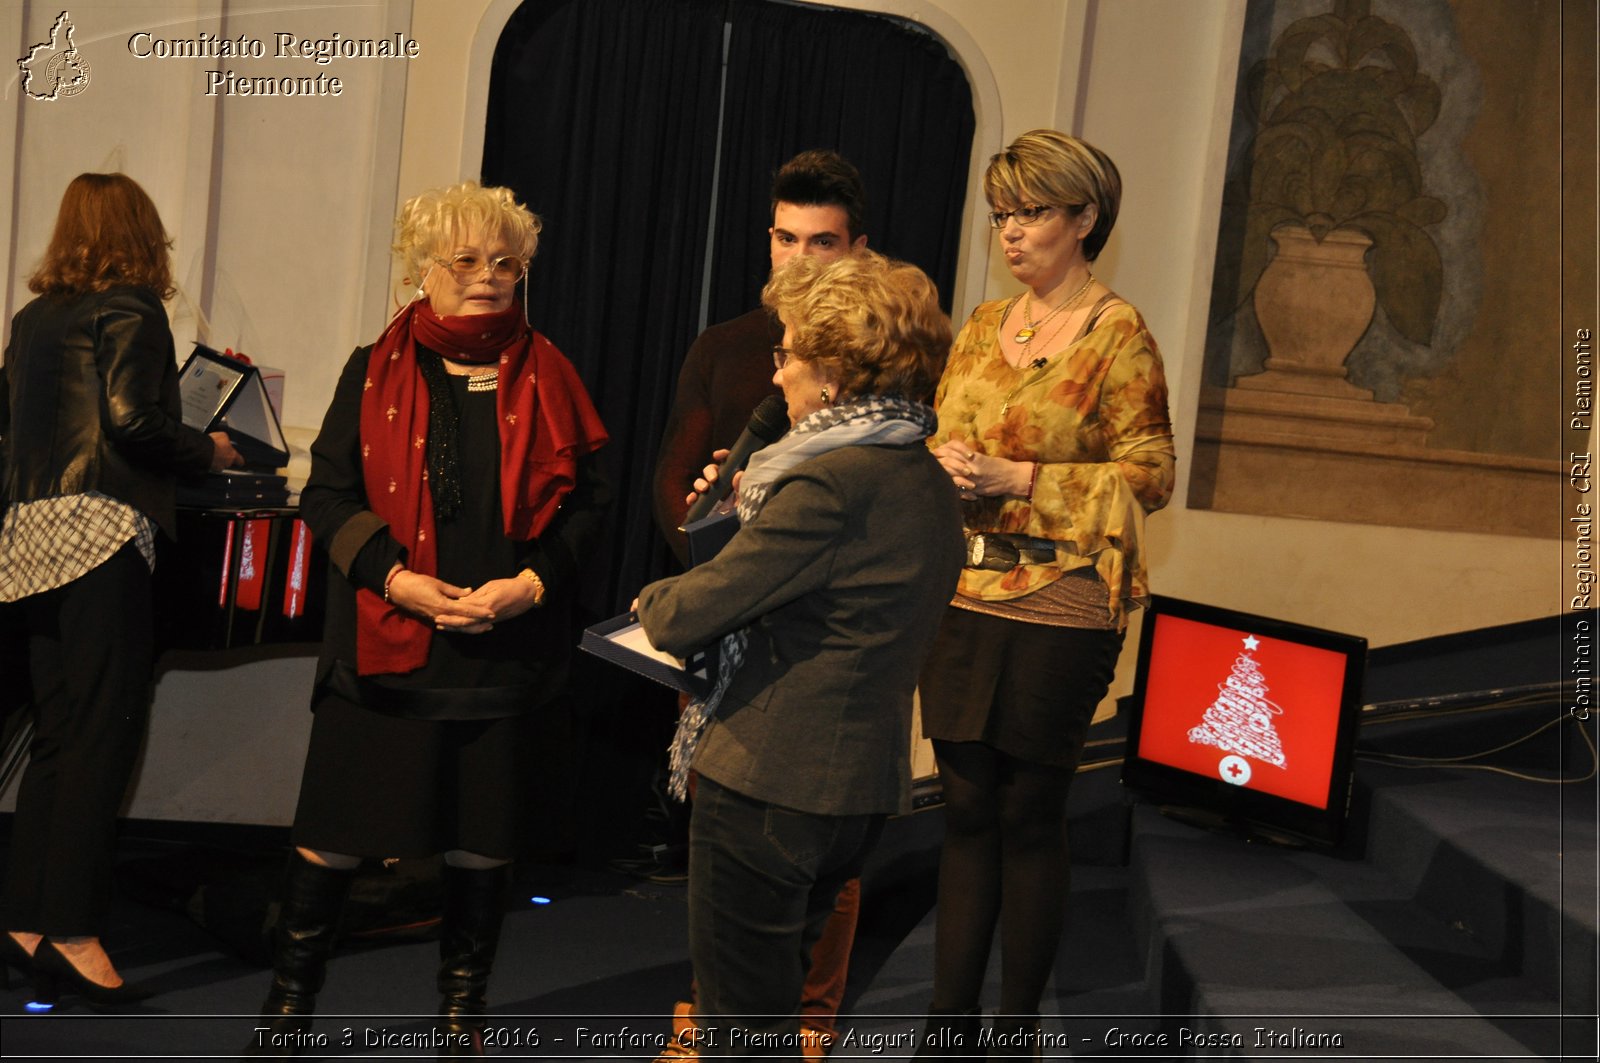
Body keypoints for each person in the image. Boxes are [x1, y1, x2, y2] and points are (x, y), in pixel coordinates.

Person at [244, 182, 609, 1059]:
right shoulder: (372, 364)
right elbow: (326, 496)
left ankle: (461, 1020)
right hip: (387, 647)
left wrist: (532, 582)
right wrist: (397, 581)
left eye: (506, 264)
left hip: (502, 651)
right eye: (467, 261)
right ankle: (288, 1014)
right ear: (424, 270)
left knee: (482, 849)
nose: (488, 278)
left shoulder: (552, 369)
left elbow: (590, 508)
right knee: (331, 839)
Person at [635, 249, 964, 1057]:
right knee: (772, 1013)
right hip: (851, 791)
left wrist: (653, 595)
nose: (776, 375)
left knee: (741, 1026)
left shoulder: (830, 485)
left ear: (831, 378)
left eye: (787, 355)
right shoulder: (921, 474)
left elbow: (681, 610)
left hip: (770, 787)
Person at [917, 130, 1175, 1054]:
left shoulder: (1118, 331)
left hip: (1064, 594)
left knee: (1029, 810)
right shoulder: (983, 326)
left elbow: (1150, 474)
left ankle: (1017, 1027)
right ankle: (948, 1027)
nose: (1011, 233)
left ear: (1085, 219)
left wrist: (1020, 478)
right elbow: (945, 441)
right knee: (965, 803)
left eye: (1031, 213)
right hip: (964, 589)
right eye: (1002, 216)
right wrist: (943, 466)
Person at [0, 173, 243, 1007]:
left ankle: (27, 919)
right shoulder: (132, 307)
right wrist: (212, 451)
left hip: (27, 540)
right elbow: (134, 421)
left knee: (59, 738)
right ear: (140, 234)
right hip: (100, 534)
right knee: (104, 739)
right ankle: (72, 929)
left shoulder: (31, 321)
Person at [649, 149, 869, 1060]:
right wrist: (712, 561)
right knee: (722, 827)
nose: (799, 259)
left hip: (826, 641)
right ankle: (717, 1008)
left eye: (821, 242)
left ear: (856, 250)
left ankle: (810, 1022)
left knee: (823, 840)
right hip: (727, 625)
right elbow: (676, 488)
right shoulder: (728, 345)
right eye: (785, 238)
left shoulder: (874, 360)